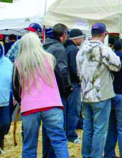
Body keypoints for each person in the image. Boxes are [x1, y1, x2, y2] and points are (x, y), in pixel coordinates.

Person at [12, 33, 69, 158]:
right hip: (52, 103)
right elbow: (60, 81)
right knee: (59, 141)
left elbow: (15, 87)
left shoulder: (19, 63)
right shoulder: (49, 58)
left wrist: (21, 100)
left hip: (30, 106)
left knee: (29, 145)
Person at [77, 23, 121, 158]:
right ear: (104, 34)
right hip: (100, 94)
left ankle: (86, 155)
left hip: (85, 94)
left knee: (87, 129)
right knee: (100, 130)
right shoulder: (103, 49)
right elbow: (117, 65)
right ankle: (96, 155)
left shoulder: (81, 50)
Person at [43, 23, 72, 158]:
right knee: (58, 129)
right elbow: (62, 70)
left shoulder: (44, 46)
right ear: (64, 35)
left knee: (47, 129)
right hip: (56, 92)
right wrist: (67, 88)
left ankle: (47, 154)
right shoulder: (59, 48)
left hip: (44, 92)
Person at [64, 28, 84, 144]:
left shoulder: (66, 48)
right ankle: (71, 134)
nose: (82, 40)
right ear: (76, 39)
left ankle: (69, 131)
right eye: (81, 38)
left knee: (69, 109)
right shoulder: (73, 50)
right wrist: (79, 79)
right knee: (73, 109)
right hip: (74, 83)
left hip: (68, 83)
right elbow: (74, 68)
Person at [0, 41, 12, 154]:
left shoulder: (7, 62)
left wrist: (15, 96)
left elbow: (13, 78)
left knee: (5, 124)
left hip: (5, 100)